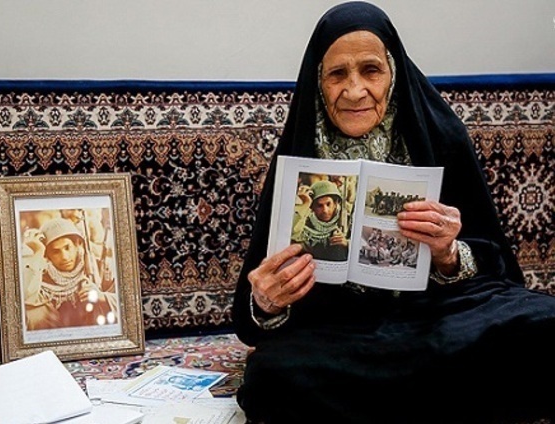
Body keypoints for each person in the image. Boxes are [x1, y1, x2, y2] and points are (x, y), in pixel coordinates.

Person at [231, 2, 555, 423]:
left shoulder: (442, 137)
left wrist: (448, 253)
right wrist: (267, 300)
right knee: (272, 375)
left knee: (546, 323)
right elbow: (253, 313)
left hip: (440, 317)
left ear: (394, 72)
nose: (354, 91)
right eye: (337, 74)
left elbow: (500, 268)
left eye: (371, 70)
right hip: (342, 333)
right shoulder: (300, 153)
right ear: (318, 81)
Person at [23, 217, 118, 330]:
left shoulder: (99, 268)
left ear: (78, 245)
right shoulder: (40, 275)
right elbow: (26, 299)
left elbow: (127, 304)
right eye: (56, 252)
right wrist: (38, 252)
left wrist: (102, 297)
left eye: (67, 248)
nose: (64, 257)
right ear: (47, 255)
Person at [291, 179, 349, 261]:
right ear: (313, 207)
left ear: (335, 204)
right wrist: (305, 204)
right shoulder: (304, 221)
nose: (325, 210)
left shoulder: (347, 222)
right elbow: (292, 234)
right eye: (319, 206)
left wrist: (347, 244)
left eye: (328, 204)